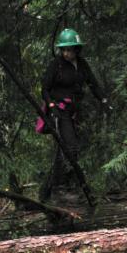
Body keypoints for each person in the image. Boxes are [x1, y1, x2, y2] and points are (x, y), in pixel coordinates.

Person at [41, 28, 109, 193]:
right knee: (69, 146)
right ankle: (63, 185)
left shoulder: (82, 64)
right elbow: (44, 89)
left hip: (75, 111)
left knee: (69, 148)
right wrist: (51, 106)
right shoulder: (56, 65)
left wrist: (104, 100)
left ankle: (55, 187)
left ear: (76, 49)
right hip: (59, 111)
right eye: (63, 50)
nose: (66, 53)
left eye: (69, 49)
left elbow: (92, 83)